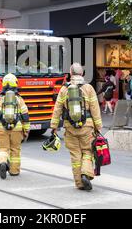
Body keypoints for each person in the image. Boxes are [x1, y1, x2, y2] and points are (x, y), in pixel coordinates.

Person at [50, 63, 103, 191]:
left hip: (70, 127)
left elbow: (57, 109)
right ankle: (86, 173)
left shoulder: (64, 89)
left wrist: (54, 127)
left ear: (70, 74)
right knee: (87, 151)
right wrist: (98, 126)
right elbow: (95, 108)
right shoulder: (89, 88)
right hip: (87, 126)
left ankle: (79, 183)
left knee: (75, 155)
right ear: (82, 74)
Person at [0, 73, 30, 179]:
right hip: (17, 129)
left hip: (2, 128)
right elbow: (25, 115)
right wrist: (26, 130)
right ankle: (14, 171)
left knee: (3, 149)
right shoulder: (19, 99)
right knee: (15, 150)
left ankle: (2, 162)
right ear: (15, 84)